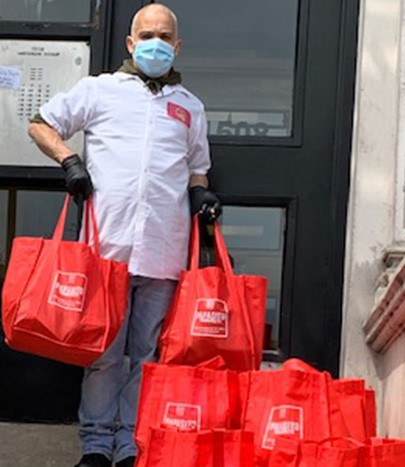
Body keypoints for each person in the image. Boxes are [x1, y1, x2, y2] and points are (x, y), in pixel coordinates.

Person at [27, 5, 220, 467]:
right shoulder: (99, 90)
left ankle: (132, 446)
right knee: (103, 355)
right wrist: (70, 161)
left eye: (165, 35)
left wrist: (202, 197)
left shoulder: (190, 107)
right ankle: (96, 447)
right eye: (147, 34)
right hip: (107, 246)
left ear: (176, 46)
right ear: (131, 44)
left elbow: (198, 170)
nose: (156, 42)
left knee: (146, 356)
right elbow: (40, 124)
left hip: (163, 250)